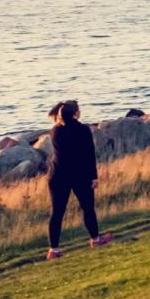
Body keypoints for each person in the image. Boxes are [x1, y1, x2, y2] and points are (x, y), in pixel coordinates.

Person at [43, 100, 108, 260]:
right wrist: (94, 176)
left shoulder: (55, 131)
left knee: (57, 213)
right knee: (88, 208)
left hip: (58, 176)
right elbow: (89, 155)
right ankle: (95, 239)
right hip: (80, 175)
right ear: (75, 113)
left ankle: (53, 250)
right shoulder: (83, 130)